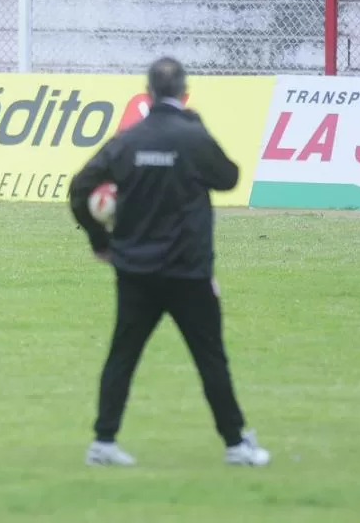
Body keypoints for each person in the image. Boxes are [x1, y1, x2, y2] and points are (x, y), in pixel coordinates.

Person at [68, 56, 270, 467]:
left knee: (122, 354)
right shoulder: (192, 137)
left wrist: (99, 240)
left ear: (148, 94)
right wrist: (196, 128)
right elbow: (229, 177)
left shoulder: (128, 139)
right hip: (187, 271)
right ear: (184, 93)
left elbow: (79, 188)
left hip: (135, 271)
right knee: (210, 357)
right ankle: (235, 443)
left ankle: (103, 442)